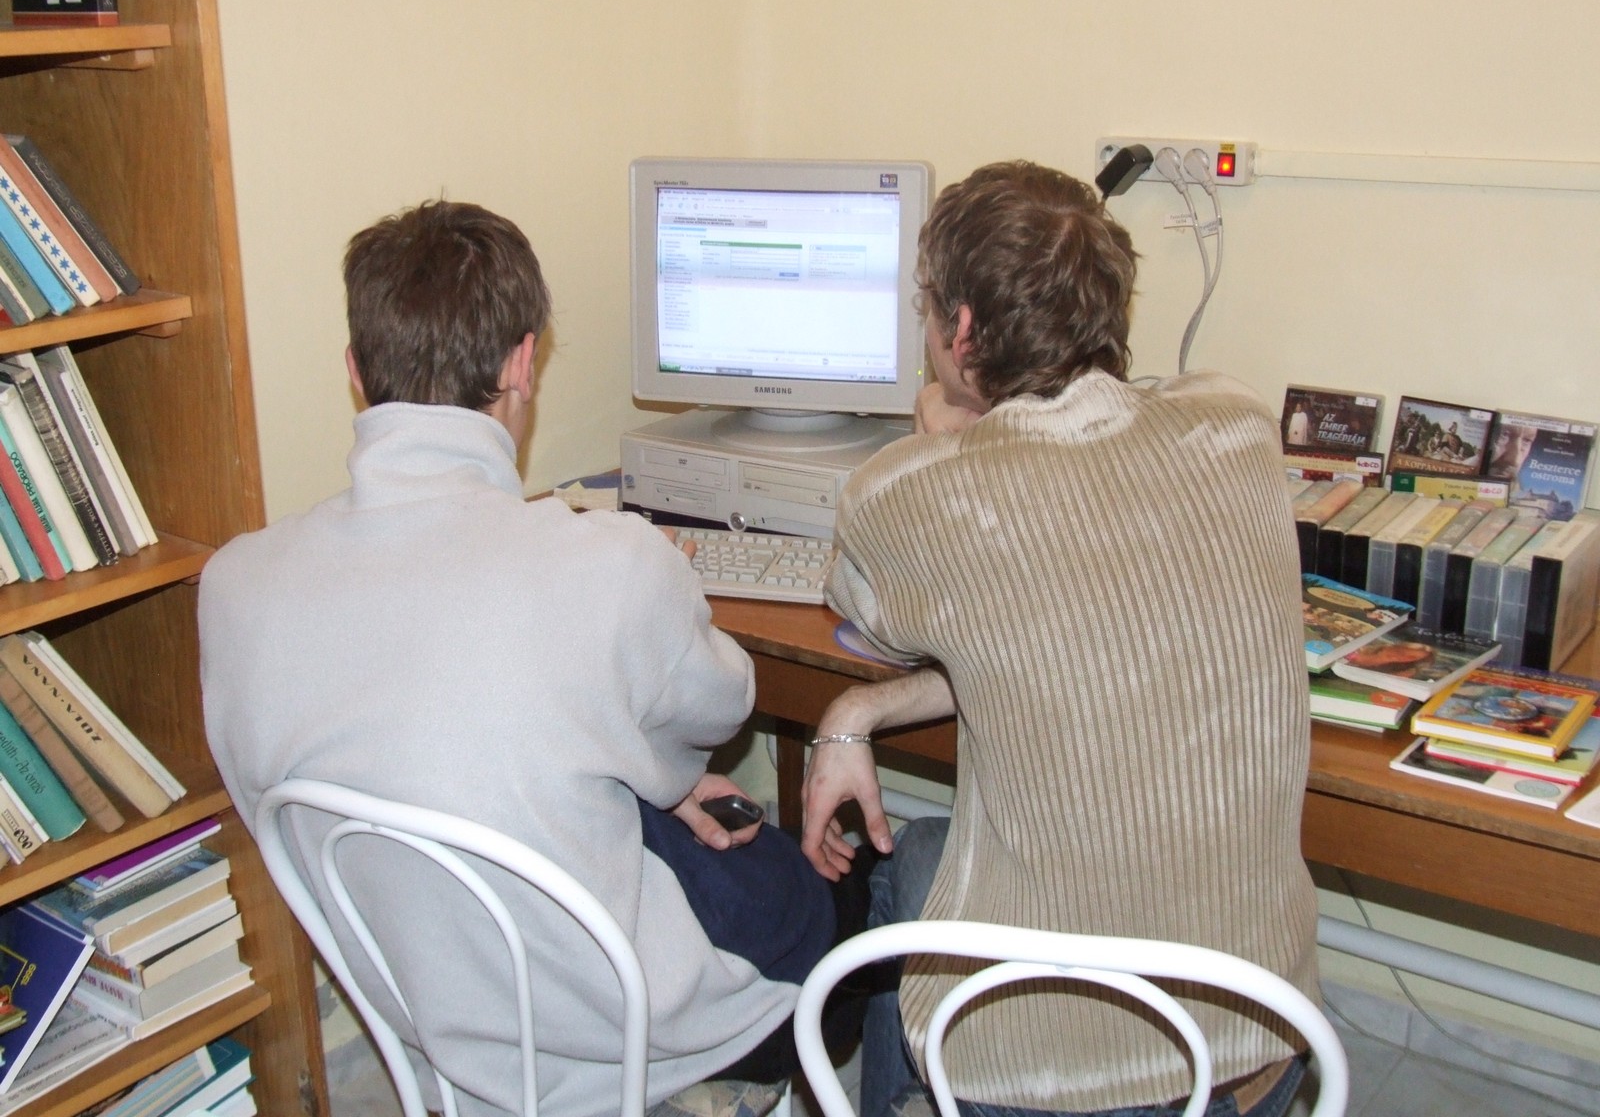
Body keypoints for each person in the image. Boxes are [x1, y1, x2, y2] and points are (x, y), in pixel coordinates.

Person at [199, 200, 847, 1117]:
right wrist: (665, 609)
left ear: (355, 371)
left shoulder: (233, 585)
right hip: (627, 1036)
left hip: (431, 1020)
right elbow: (724, 703)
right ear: (522, 363)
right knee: (817, 889)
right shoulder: (611, 561)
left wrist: (649, 776)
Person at [800, 162, 1320, 1117]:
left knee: (903, 868)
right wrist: (860, 710)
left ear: (960, 330)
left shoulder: (911, 491)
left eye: (927, 309)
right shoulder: (1244, 428)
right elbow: (1042, 633)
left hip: (1043, 1079)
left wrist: (938, 440)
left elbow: (872, 613)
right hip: (1262, 1040)